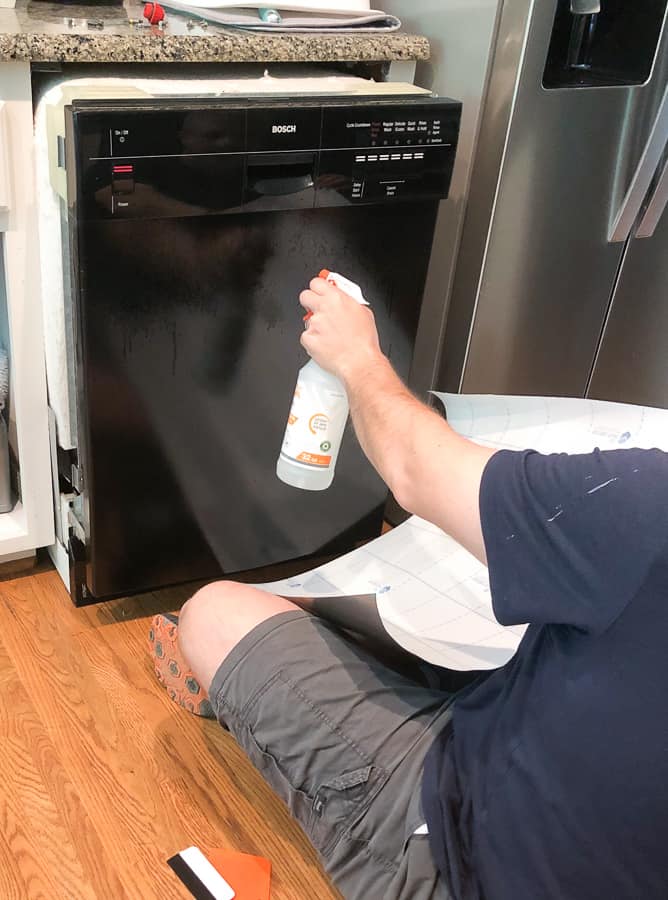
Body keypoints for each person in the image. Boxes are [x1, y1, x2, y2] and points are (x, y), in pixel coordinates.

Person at [150, 275, 668, 900]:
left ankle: (253, 699)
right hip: (570, 803)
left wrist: (357, 357)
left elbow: (414, 469)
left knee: (211, 612)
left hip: (459, 852)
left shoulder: (644, 508)